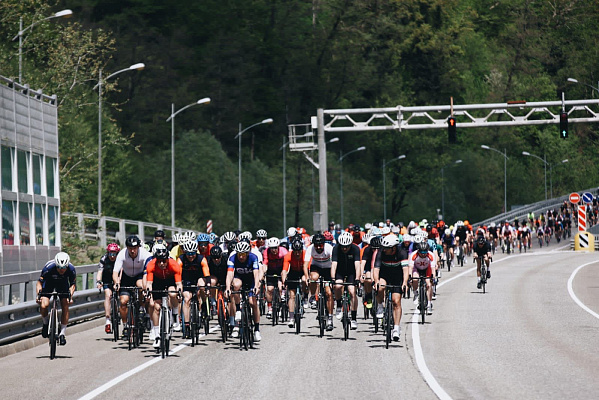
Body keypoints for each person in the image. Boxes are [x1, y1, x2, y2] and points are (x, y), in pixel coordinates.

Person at [112, 235, 152, 337]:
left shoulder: (144, 254)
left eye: (134, 248)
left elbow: (149, 269)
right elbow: (115, 272)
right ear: (127, 248)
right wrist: (117, 283)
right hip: (126, 277)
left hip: (140, 275)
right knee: (123, 301)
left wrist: (147, 285)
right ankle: (126, 325)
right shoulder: (122, 254)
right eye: (130, 248)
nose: (132, 251)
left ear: (138, 247)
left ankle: (142, 308)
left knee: (140, 285)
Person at [146, 243, 183, 348]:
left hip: (170, 279)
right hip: (157, 281)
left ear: (168, 259)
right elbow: (149, 283)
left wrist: (179, 292)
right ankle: (157, 335)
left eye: (164, 261)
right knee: (156, 307)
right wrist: (148, 292)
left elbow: (179, 284)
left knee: (172, 293)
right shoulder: (151, 265)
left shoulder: (174, 265)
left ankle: (175, 314)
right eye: (159, 261)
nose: (162, 263)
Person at [373, 235, 409, 341]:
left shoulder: (402, 252)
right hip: (385, 275)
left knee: (396, 302)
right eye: (383, 247)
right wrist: (376, 281)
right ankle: (380, 305)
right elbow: (376, 269)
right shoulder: (380, 252)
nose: (384, 250)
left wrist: (405, 282)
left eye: (386, 248)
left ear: (393, 248)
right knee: (380, 287)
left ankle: (396, 328)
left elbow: (405, 270)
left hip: (397, 277)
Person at [37, 252, 76, 346]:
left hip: (62, 285)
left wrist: (70, 296)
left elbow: (72, 285)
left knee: (65, 305)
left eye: (63, 268)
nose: (61, 270)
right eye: (59, 267)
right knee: (44, 304)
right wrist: (38, 295)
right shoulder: (48, 268)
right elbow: (39, 283)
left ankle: (62, 333)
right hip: (49, 284)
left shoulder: (71, 269)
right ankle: (46, 323)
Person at [225, 241, 262, 342]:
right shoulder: (232, 258)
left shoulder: (253, 257)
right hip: (239, 278)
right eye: (239, 254)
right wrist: (228, 287)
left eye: (243, 254)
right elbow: (229, 274)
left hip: (251, 280)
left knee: (252, 303)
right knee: (235, 286)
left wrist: (256, 286)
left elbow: (256, 273)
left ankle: (257, 329)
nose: (241, 257)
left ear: (247, 253)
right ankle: (238, 309)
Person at [177, 240, 210, 336]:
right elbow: (177, 275)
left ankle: (203, 305)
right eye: (188, 253)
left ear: (196, 252)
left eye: (192, 253)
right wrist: (179, 288)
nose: (191, 256)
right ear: (184, 252)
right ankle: (187, 325)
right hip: (186, 279)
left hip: (198, 278)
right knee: (187, 299)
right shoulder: (180, 259)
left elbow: (207, 275)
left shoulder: (201, 259)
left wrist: (207, 287)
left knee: (202, 285)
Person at [304, 233, 335, 330]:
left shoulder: (329, 248)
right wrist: (306, 277)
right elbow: (305, 265)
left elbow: (334, 263)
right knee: (313, 278)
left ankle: (330, 318)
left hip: (328, 269)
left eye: (320, 245)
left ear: (324, 243)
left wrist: (333, 277)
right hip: (316, 267)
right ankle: (313, 296)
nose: (318, 247)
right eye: (316, 245)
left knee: (328, 293)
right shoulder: (310, 249)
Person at [331, 231, 361, 330]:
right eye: (342, 246)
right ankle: (339, 305)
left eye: (347, 246)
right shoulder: (336, 249)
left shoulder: (355, 249)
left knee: (352, 292)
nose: (344, 249)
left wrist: (357, 278)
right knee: (338, 286)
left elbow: (357, 265)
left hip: (351, 272)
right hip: (340, 271)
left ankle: (353, 318)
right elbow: (334, 265)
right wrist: (332, 279)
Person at [96, 243, 120, 334]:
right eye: (110, 253)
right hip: (107, 279)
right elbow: (99, 271)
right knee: (108, 295)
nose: (112, 256)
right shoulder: (104, 259)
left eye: (114, 254)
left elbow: (122, 271)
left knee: (120, 295)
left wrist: (118, 282)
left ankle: (118, 310)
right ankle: (108, 320)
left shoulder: (120, 259)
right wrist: (98, 281)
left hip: (118, 279)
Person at [282, 239, 305, 328]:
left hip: (303, 271)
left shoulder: (305, 254)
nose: (297, 254)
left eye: (299, 251)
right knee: (292, 295)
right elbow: (284, 270)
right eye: (295, 252)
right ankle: (291, 318)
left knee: (304, 279)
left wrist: (307, 279)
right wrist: (284, 280)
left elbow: (308, 269)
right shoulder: (288, 256)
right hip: (293, 272)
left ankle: (305, 297)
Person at [262, 237, 288, 318]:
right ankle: (270, 308)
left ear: (278, 247)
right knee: (269, 289)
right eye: (272, 248)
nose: (273, 250)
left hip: (281, 270)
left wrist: (285, 273)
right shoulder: (266, 252)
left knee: (280, 288)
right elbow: (265, 263)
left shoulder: (283, 251)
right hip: (271, 270)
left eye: (275, 248)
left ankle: (281, 303)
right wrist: (263, 273)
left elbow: (287, 263)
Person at [409, 241, 436, 315]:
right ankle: (415, 293)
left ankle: (429, 304)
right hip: (416, 269)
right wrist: (409, 277)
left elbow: (433, 268)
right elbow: (410, 267)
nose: (423, 254)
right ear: (418, 250)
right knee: (414, 278)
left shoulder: (431, 255)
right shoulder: (414, 254)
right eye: (421, 252)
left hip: (427, 269)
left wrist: (433, 277)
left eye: (425, 252)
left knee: (428, 284)